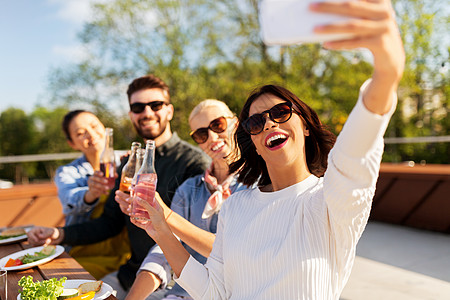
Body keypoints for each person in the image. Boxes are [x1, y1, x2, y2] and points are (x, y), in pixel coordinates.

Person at [132, 1, 405, 299]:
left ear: (305, 126)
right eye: (256, 122)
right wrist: (159, 226)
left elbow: (353, 153)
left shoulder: (330, 201)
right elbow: (215, 291)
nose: (270, 124)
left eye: (281, 112)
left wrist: (386, 73)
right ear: (253, 144)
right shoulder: (235, 207)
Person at [27, 74, 210, 299]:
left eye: (155, 105)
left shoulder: (194, 162)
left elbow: (196, 237)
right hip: (128, 274)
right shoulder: (128, 163)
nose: (147, 113)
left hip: (172, 283)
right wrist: (59, 233)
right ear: (131, 115)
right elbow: (109, 223)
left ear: (169, 111)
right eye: (138, 107)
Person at [125, 100, 251, 300]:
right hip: (180, 293)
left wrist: (166, 215)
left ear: (235, 124)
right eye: (201, 134)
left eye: (218, 125)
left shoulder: (257, 185)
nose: (211, 137)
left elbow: (230, 251)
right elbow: (164, 248)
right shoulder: (188, 189)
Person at [55, 110, 130, 279]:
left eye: (94, 126)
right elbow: (69, 200)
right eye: (80, 133)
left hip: (126, 253)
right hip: (84, 251)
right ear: (72, 143)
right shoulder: (68, 172)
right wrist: (90, 193)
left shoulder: (128, 161)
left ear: (104, 127)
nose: (91, 134)